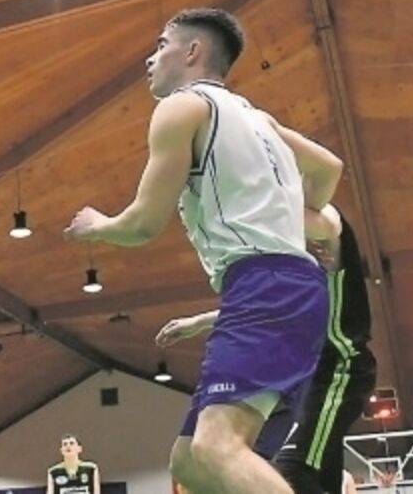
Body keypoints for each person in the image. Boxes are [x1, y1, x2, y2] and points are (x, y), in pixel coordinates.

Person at [64, 8, 343, 494]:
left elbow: (143, 224)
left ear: (192, 51)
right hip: (287, 288)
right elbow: (328, 167)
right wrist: (302, 216)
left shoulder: (183, 108)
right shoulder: (258, 119)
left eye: (161, 45)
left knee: (216, 448)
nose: (150, 59)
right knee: (190, 463)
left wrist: (98, 226)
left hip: (264, 285)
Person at [160, 204, 375, 494]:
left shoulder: (321, 223)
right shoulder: (290, 256)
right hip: (309, 370)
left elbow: (327, 220)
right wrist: (199, 322)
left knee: (293, 470)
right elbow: (272, 310)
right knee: (315, 476)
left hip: (339, 367)